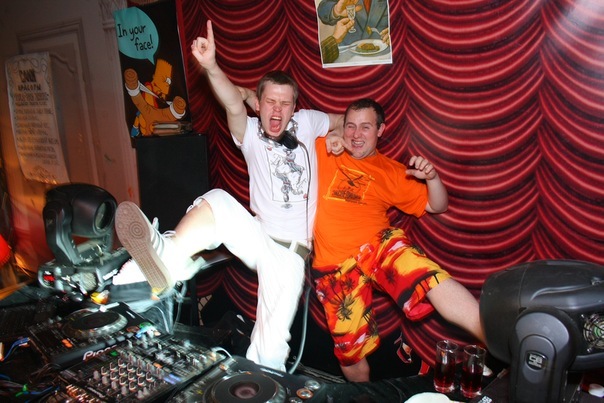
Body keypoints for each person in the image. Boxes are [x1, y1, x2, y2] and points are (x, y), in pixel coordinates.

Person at [114, 19, 344, 372]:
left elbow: (346, 120)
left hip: (290, 254)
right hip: (258, 234)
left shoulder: (309, 122)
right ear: (259, 104)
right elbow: (233, 104)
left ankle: (257, 384)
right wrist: (211, 67)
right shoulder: (249, 131)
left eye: (285, 104)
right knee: (218, 200)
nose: (277, 110)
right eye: (270, 102)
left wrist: (339, 136)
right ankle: (166, 257)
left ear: (295, 107)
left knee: (270, 350)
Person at [312, 98, 485, 382]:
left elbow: (437, 205)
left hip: (376, 247)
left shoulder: (391, 170)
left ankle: (497, 341)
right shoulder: (322, 147)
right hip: (334, 268)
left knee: (426, 275)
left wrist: (432, 177)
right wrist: (330, 134)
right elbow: (284, 124)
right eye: (351, 126)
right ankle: (366, 398)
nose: (356, 134)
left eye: (366, 127)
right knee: (350, 354)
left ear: (381, 130)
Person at [318, 0, 390, 46]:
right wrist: (336, 11)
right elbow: (323, 9)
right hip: (347, 53)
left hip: (382, 50)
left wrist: (395, 32)